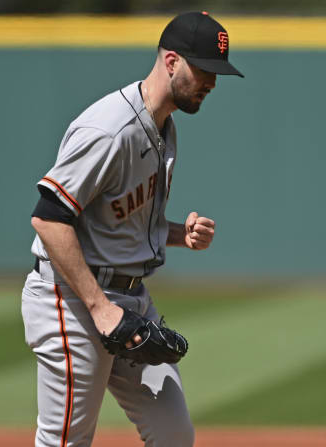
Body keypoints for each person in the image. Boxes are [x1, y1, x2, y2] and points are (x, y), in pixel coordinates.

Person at [22, 11, 244, 447]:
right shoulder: (109, 130)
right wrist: (100, 308)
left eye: (217, 74)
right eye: (204, 70)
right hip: (71, 300)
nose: (212, 83)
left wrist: (179, 233)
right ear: (171, 61)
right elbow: (48, 218)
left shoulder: (164, 126)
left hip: (130, 298)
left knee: (173, 433)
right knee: (64, 441)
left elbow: (119, 219)